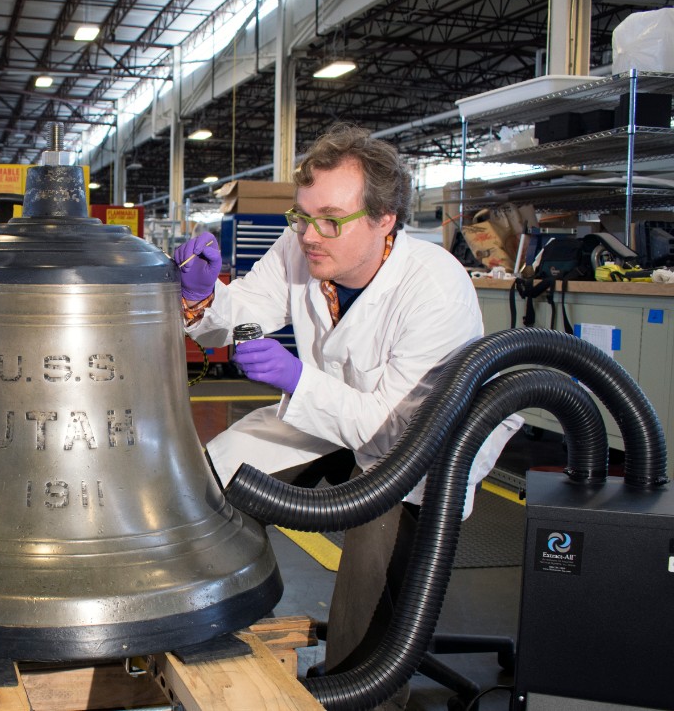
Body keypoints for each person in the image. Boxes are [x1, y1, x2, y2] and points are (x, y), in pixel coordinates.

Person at [174, 123, 519, 709]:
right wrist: (204, 293)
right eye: (302, 216)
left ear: (385, 219)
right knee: (208, 485)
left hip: (420, 446)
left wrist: (297, 379)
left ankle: (359, 692)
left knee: (372, 555)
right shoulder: (305, 244)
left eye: (331, 219)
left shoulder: (435, 286)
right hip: (328, 413)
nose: (310, 234)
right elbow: (250, 306)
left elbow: (392, 428)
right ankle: (220, 647)